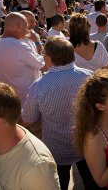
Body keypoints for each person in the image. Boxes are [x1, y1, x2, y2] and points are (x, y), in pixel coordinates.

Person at [22, 37, 93, 190]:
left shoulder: (39, 86)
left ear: (49, 57)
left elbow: (28, 120)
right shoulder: (89, 77)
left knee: (60, 184)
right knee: (92, 181)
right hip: (86, 143)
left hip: (56, 147)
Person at [0, 13, 45, 105]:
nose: (27, 31)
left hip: (6, 99)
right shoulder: (19, 46)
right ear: (18, 27)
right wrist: (37, 41)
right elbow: (44, 66)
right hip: (26, 100)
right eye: (26, 27)